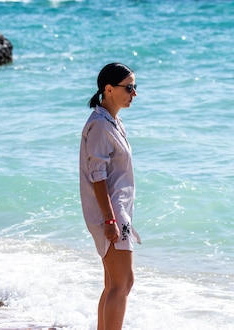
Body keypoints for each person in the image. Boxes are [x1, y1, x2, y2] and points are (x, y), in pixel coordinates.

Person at [79, 62, 141, 330]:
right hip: (111, 213)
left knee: (113, 283)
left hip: (115, 212)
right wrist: (110, 220)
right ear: (108, 89)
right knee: (122, 282)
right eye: (129, 88)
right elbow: (98, 176)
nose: (134, 93)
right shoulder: (100, 126)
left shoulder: (111, 121)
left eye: (135, 87)